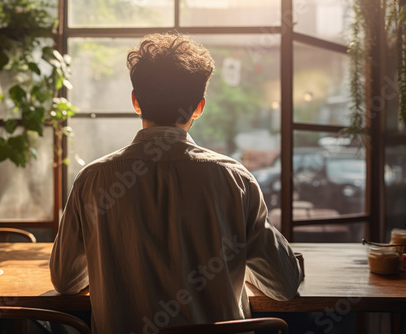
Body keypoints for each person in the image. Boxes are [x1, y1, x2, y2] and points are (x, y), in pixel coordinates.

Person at [50, 33, 302, 334]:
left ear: (136, 102)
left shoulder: (92, 180)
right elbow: (285, 285)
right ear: (199, 107)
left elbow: (65, 281)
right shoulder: (235, 179)